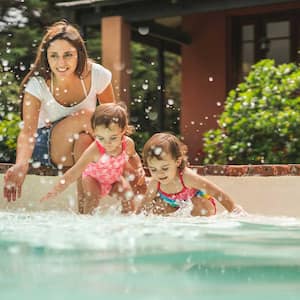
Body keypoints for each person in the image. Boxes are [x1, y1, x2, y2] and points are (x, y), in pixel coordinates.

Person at [3, 20, 115, 212]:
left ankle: (85, 214)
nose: (60, 63)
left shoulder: (98, 75)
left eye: (68, 55)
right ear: (46, 57)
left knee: (84, 141)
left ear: (79, 54)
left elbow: (115, 120)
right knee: (89, 117)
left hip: (81, 146)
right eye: (54, 56)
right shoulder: (37, 84)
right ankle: (116, 158)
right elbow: (28, 132)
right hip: (44, 148)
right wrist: (21, 165)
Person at [40, 103, 146, 214]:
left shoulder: (127, 144)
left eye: (113, 138)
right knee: (92, 199)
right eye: (101, 138)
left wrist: (139, 168)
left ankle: (127, 222)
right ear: (94, 132)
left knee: (128, 196)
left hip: (114, 179)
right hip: (93, 179)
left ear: (123, 130)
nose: (107, 143)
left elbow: (133, 156)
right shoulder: (95, 150)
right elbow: (75, 171)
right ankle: (87, 223)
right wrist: (58, 188)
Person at [138, 133, 246, 216]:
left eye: (165, 168)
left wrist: (234, 210)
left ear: (177, 162)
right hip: (176, 207)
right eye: (153, 169)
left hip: (201, 206)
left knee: (200, 205)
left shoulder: (186, 177)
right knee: (157, 206)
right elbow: (145, 204)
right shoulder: (155, 182)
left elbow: (216, 192)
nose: (159, 173)